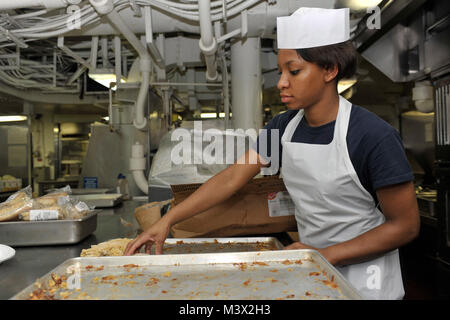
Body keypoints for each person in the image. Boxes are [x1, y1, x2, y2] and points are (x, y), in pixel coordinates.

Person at [124, 7, 420, 300]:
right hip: (313, 271)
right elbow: (231, 179)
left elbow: (405, 226)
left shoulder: (372, 136)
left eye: (294, 71)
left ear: (330, 70)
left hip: (367, 281)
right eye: (280, 71)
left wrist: (324, 254)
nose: (281, 82)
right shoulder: (284, 126)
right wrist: (167, 220)